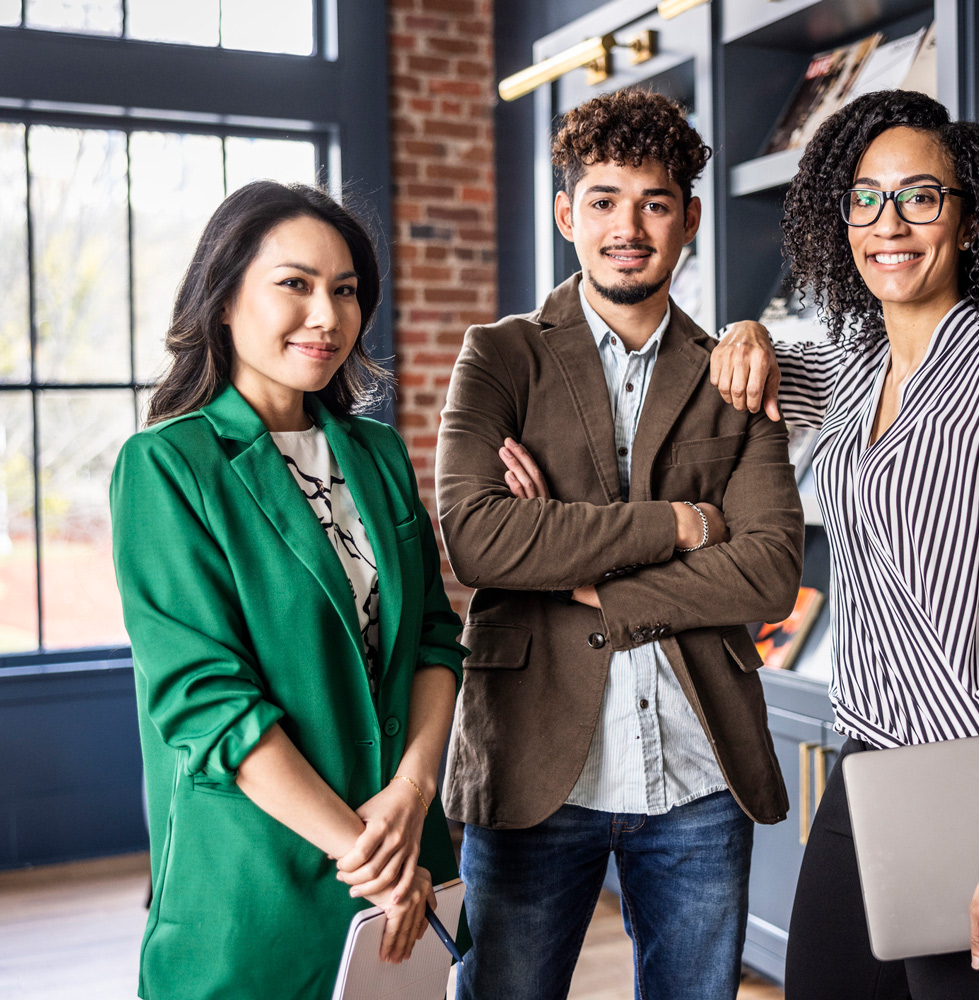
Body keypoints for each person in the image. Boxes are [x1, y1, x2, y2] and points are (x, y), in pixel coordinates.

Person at [710, 90, 979, 999]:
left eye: (921, 197)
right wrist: (745, 329)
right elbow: (738, 373)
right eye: (866, 197)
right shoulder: (852, 372)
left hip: (977, 784)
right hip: (866, 768)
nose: (890, 222)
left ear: (967, 222)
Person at [435, 88, 804, 1000]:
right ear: (567, 215)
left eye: (654, 202)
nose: (627, 226)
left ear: (689, 221)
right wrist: (683, 526)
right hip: (533, 765)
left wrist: (585, 566)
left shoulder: (734, 371)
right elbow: (479, 540)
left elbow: (768, 570)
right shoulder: (499, 357)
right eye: (602, 200)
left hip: (697, 771)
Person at [110, 181, 468, 1000]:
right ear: (225, 298)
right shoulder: (167, 466)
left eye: (345, 291)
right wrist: (367, 857)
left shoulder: (376, 453)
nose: (328, 315)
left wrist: (413, 795)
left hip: (401, 858)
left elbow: (435, 641)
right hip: (257, 881)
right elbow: (210, 704)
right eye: (295, 284)